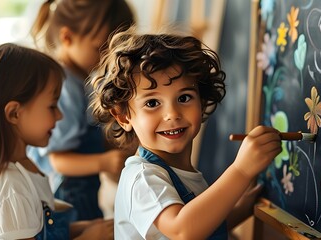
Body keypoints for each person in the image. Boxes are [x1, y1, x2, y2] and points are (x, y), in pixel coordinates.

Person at [89, 25, 283, 239]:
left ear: (201, 102)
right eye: (152, 102)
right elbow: (183, 230)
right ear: (124, 116)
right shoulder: (142, 178)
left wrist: (242, 209)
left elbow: (203, 226)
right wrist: (241, 171)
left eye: (184, 98)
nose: (172, 114)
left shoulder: (182, 174)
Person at [27, 0, 136, 221]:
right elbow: (57, 159)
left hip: (83, 191)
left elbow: (85, 135)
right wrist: (104, 162)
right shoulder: (63, 86)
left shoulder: (80, 80)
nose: (107, 58)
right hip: (66, 194)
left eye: (113, 50)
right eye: (99, 48)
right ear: (67, 38)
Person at [0, 43, 115, 240]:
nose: (59, 116)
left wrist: (80, 228)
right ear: (14, 113)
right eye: (52, 106)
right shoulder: (12, 188)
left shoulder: (24, 168)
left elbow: (43, 230)